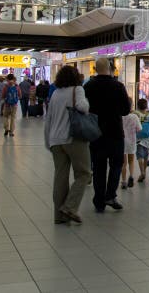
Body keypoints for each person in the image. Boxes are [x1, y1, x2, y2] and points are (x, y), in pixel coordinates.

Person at [84, 58, 131, 212]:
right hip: (115, 132)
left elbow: (84, 108)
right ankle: (110, 195)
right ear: (111, 68)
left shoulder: (89, 86)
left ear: (95, 69)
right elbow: (125, 110)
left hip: (95, 133)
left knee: (98, 167)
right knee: (116, 164)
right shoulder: (118, 86)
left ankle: (99, 200)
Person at [45, 65, 91, 225]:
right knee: (84, 173)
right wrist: (86, 102)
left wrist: (48, 142)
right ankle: (70, 207)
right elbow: (82, 107)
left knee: (60, 177)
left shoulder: (56, 93)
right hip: (73, 139)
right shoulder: (77, 90)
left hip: (55, 140)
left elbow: (48, 118)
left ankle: (59, 216)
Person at [135, 99, 149, 183]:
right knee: (146, 156)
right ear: (146, 106)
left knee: (139, 156)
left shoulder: (136, 115)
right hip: (147, 139)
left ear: (138, 106)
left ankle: (142, 172)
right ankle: (144, 172)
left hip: (138, 139)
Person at [121, 108, 141, 189]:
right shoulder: (134, 116)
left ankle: (124, 181)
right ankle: (131, 176)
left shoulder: (120, 116)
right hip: (132, 141)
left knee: (123, 163)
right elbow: (139, 129)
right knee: (131, 161)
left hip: (122, 142)